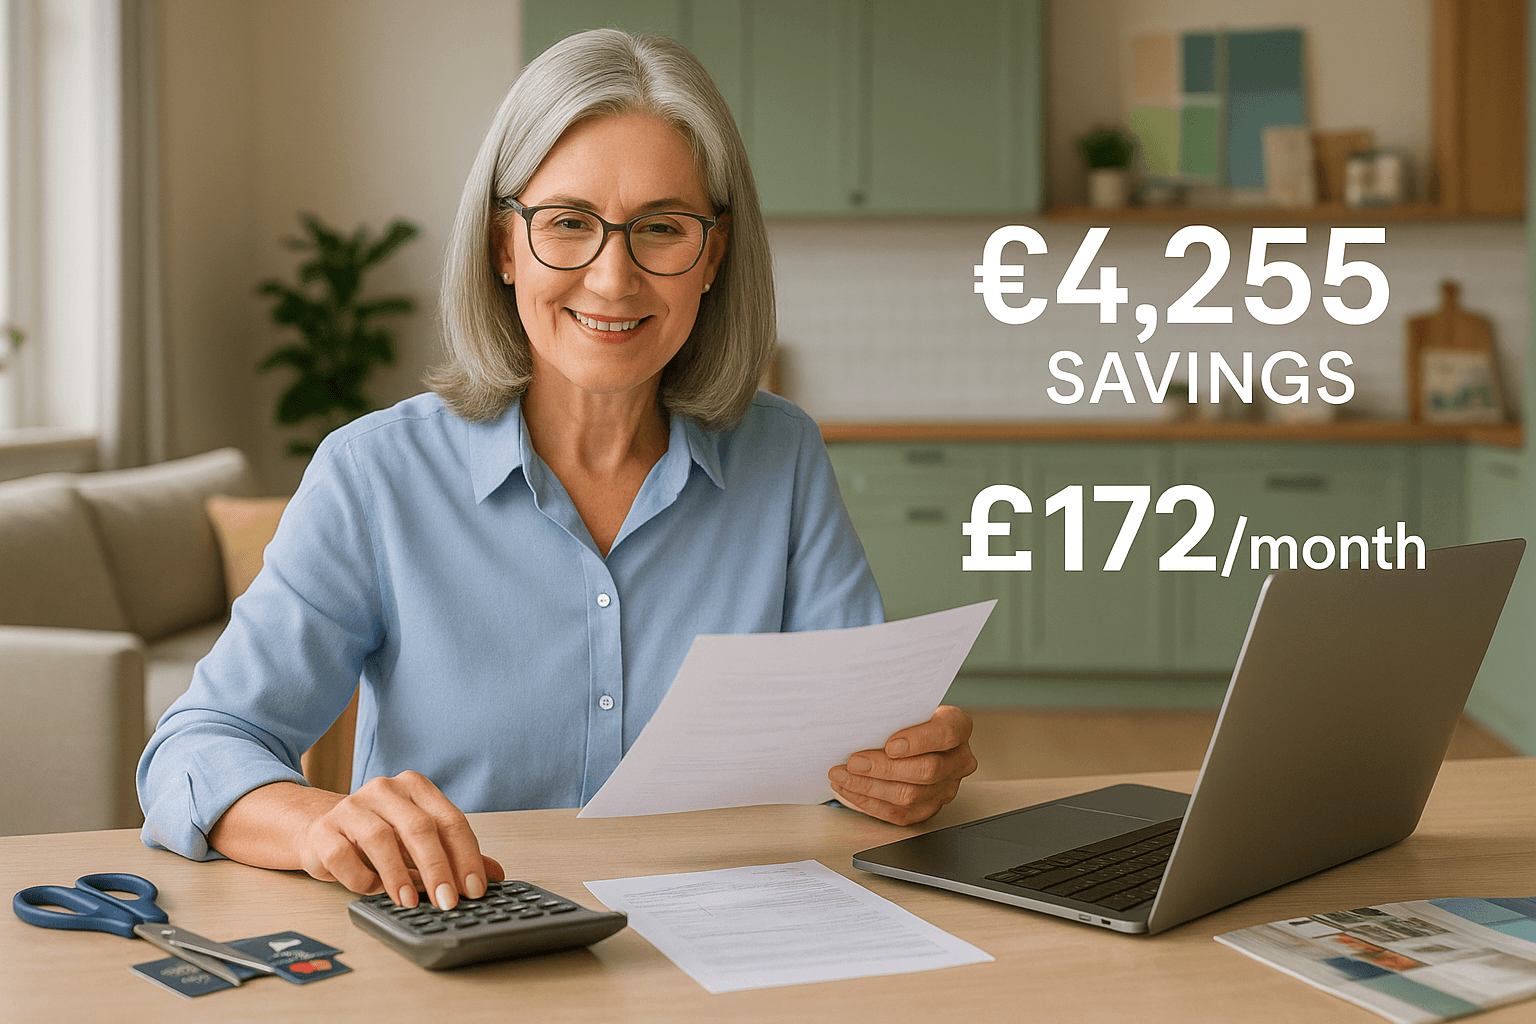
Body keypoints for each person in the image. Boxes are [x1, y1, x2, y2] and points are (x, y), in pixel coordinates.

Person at [136, 28, 977, 915]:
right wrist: (318, 824)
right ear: (505, 247)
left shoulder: (784, 457)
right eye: (568, 223)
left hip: (730, 944)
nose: (612, 279)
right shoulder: (372, 475)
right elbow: (196, 747)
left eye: (661, 228)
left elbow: (854, 746)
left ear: (713, 257)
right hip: (462, 958)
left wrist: (904, 767)